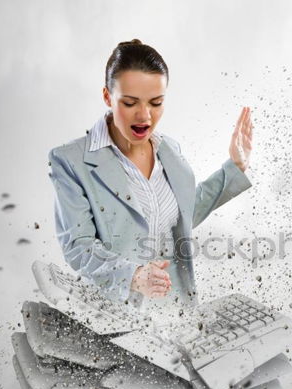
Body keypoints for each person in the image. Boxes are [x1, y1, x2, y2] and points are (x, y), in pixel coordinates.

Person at [47, 39, 253, 310]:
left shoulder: (169, 150)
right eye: (130, 103)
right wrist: (132, 275)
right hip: (113, 317)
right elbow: (79, 247)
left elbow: (183, 215)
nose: (144, 115)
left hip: (175, 312)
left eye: (156, 103)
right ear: (108, 97)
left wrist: (235, 166)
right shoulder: (71, 161)